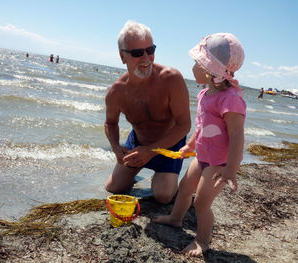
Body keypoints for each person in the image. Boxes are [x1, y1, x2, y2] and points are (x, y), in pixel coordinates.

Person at [154, 33, 246, 256]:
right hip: (202, 156)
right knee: (184, 189)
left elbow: (236, 136)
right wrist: (190, 146)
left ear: (210, 69)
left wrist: (230, 169)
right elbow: (202, 126)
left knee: (202, 203)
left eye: (197, 62)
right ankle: (176, 219)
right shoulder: (205, 94)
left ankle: (202, 241)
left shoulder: (230, 99)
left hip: (219, 163)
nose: (193, 67)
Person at [104, 20, 191, 204]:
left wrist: (151, 151)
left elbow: (184, 125)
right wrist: (116, 148)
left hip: (170, 146)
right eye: (137, 53)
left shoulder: (171, 79)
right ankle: (140, 176)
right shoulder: (117, 91)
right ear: (122, 56)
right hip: (139, 142)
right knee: (113, 188)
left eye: (150, 50)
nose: (146, 58)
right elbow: (111, 123)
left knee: (163, 196)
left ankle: (172, 181)